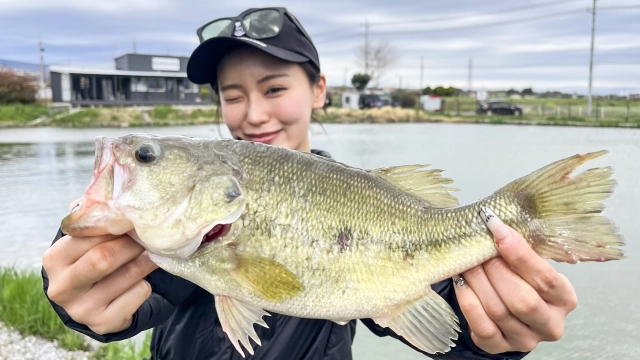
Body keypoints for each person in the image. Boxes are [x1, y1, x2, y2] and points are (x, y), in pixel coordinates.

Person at [42, 7, 577, 360]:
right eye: (232, 95)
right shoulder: (175, 237)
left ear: (319, 90)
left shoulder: (364, 200)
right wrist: (75, 296)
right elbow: (138, 300)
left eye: (275, 88)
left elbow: (447, 309)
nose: (253, 114)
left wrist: (496, 338)